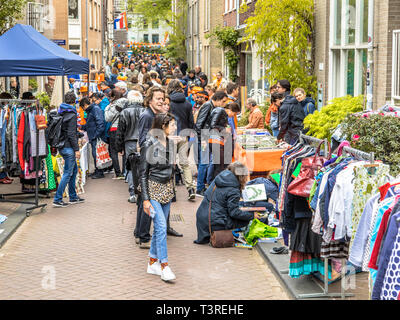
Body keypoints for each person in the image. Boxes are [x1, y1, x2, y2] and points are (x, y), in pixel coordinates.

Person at [136, 87, 182, 248]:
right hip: (151, 170)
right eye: (158, 99)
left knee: (147, 204)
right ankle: (143, 237)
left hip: (158, 171)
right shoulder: (147, 116)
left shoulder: (154, 115)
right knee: (146, 203)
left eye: (163, 99)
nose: (162, 101)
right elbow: (143, 141)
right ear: (149, 100)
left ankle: (141, 234)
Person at [140, 113, 178, 281]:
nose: (175, 127)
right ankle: (164, 265)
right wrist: (146, 199)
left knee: (159, 229)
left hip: (167, 189)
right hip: (153, 188)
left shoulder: (171, 143)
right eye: (172, 125)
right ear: (162, 126)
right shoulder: (148, 144)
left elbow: (172, 169)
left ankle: (152, 262)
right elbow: (142, 174)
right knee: (161, 227)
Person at [194, 161, 259, 244]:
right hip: (215, 221)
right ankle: (223, 232)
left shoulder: (220, 178)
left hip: (203, 218)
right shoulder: (233, 189)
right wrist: (252, 215)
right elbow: (234, 213)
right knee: (245, 220)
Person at [53, 92, 84, 207]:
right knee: (67, 173)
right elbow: (70, 134)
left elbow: (67, 131)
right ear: (74, 102)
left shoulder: (61, 111)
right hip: (68, 147)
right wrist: (77, 149)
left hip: (62, 146)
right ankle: (57, 199)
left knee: (73, 171)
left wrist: (78, 134)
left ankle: (73, 196)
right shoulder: (71, 114)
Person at [195, 90, 228, 197]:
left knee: (205, 162)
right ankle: (199, 188)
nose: (224, 105)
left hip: (205, 136)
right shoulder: (208, 106)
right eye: (223, 102)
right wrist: (203, 138)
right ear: (218, 99)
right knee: (204, 163)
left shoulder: (211, 106)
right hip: (204, 137)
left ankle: (201, 186)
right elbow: (199, 123)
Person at [167, 79, 196, 201]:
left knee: (171, 163)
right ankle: (190, 188)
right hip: (184, 135)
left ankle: (172, 191)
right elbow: (191, 122)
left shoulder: (168, 103)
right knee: (185, 163)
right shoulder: (188, 104)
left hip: (171, 135)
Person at [115, 90, 145, 203]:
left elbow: (120, 131)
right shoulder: (145, 111)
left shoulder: (124, 112)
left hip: (129, 142)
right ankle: (142, 191)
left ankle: (132, 193)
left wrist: (119, 147)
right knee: (143, 167)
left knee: (131, 167)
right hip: (142, 142)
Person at [80, 97, 106, 179]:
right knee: (95, 154)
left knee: (96, 154)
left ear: (85, 105)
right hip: (93, 136)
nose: (83, 110)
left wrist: (96, 135)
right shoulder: (92, 110)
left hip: (95, 136)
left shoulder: (95, 109)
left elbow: (100, 123)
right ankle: (98, 170)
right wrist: (82, 127)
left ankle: (100, 172)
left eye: (82, 107)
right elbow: (90, 124)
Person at [276, 79, 306, 144]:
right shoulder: (293, 101)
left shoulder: (286, 104)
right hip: (299, 133)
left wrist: (279, 137)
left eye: (278, 87)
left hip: (293, 135)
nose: (276, 89)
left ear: (284, 89)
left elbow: (284, 123)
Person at [104, 89, 125, 179]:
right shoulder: (127, 104)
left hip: (115, 129)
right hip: (124, 129)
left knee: (113, 151)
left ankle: (118, 173)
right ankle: (125, 172)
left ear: (113, 97)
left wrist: (107, 108)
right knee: (124, 151)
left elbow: (107, 118)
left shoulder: (113, 106)